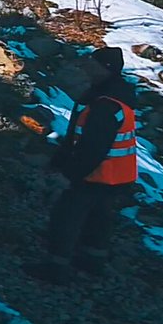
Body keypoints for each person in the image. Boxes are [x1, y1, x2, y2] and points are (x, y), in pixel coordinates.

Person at [32, 44, 138, 281]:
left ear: (106, 69)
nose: (87, 66)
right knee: (99, 218)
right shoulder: (115, 97)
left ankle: (56, 267)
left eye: (94, 63)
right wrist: (59, 161)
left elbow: (92, 149)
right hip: (115, 176)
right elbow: (78, 138)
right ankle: (93, 261)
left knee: (66, 216)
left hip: (96, 174)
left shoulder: (104, 104)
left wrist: (68, 174)